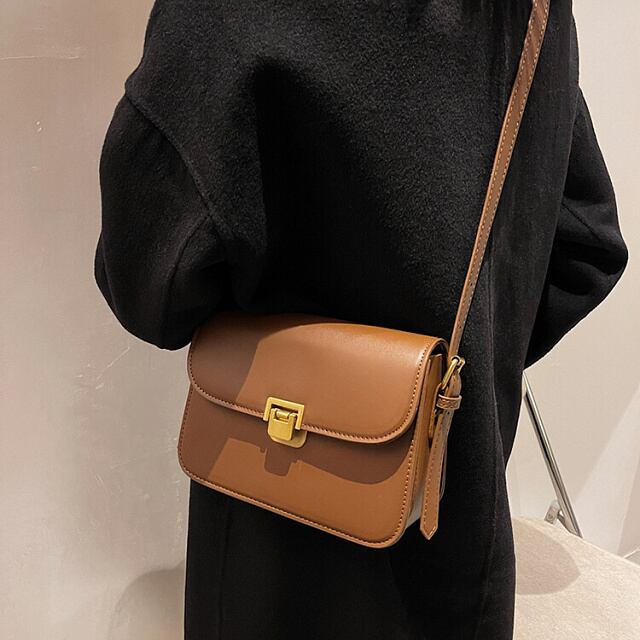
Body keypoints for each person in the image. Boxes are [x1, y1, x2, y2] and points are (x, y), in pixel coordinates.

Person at [94, 1, 628, 638]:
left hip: (266, 558)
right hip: (457, 562)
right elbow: (586, 243)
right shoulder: (534, 12)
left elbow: (149, 283)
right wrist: (460, 382)